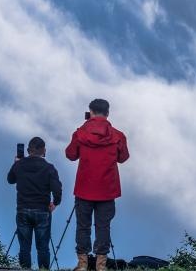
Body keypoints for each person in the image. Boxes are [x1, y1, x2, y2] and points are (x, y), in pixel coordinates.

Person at [66, 99, 129, 271]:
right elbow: (123, 158)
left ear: (90, 112)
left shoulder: (80, 133)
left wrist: (86, 126)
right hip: (107, 190)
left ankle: (83, 264)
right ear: (107, 113)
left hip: (84, 189)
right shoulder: (118, 136)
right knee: (103, 227)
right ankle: (101, 266)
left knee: (82, 226)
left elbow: (70, 155)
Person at [9, 137, 63, 270]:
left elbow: (10, 180)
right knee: (43, 247)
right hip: (42, 211)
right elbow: (57, 190)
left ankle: (25, 269)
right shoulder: (49, 168)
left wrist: (15, 163)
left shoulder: (19, 165)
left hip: (22, 210)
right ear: (44, 151)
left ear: (28, 150)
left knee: (24, 247)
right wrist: (55, 203)